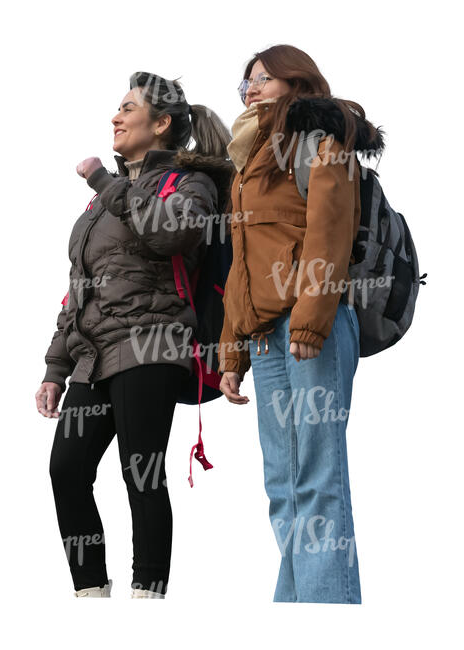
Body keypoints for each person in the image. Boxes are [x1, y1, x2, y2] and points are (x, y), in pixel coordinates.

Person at [35, 71, 233, 598]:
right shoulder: (103, 202)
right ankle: (92, 599)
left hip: (152, 345)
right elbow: (79, 289)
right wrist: (56, 369)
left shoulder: (192, 184)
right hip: (91, 359)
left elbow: (169, 234)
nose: (115, 117)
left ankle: (147, 601)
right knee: (66, 471)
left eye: (127, 108)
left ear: (161, 123)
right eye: (116, 109)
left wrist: (106, 182)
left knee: (140, 474)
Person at [218, 45, 385, 603]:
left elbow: (329, 231)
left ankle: (326, 616)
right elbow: (240, 264)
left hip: (310, 324)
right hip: (265, 335)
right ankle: (297, 615)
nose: (253, 88)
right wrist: (232, 352)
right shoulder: (248, 158)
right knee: (282, 485)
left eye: (264, 77)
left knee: (317, 477)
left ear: (297, 80)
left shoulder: (319, 137)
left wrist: (311, 322)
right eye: (247, 82)